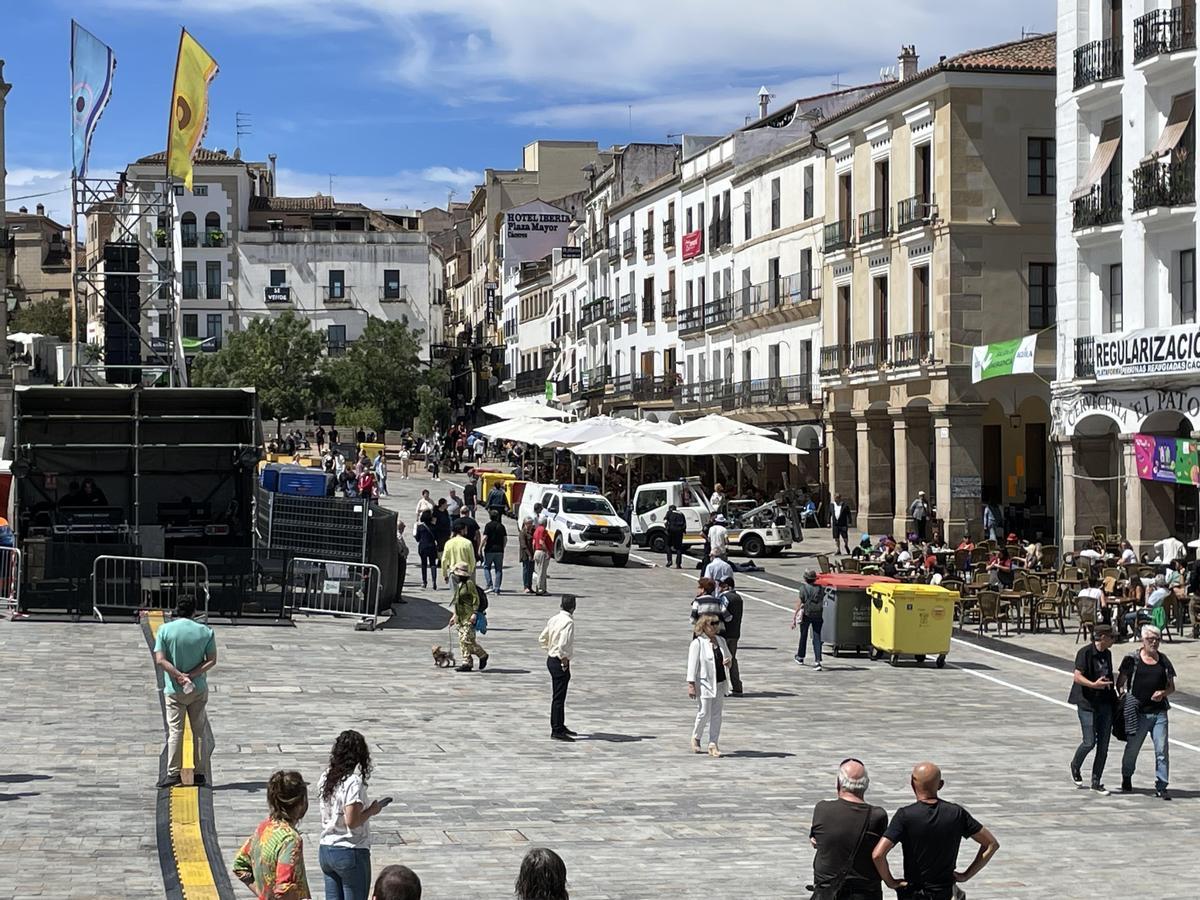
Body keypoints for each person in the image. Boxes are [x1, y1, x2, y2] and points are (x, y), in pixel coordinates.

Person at [872, 762, 1000, 899]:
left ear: (912, 783)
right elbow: (991, 844)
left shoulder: (905, 816)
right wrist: (965, 875)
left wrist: (890, 882)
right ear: (940, 785)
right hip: (944, 893)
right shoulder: (956, 813)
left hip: (914, 893)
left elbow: (878, 854)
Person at [153, 596, 217, 788]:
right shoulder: (205, 631)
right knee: (199, 731)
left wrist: (179, 675)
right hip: (197, 688)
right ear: (194, 611)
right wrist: (192, 674)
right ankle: (199, 773)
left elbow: (160, 659)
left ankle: (173, 774)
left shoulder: (165, 630)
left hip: (174, 689)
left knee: (175, 731)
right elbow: (211, 659)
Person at [318, 730, 386, 900]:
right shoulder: (352, 782)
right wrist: (372, 810)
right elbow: (352, 821)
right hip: (349, 850)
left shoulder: (326, 777)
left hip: (326, 848)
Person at [809, 759, 889, 900]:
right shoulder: (877, 816)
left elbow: (816, 841)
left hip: (828, 892)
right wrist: (891, 881)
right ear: (866, 785)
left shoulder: (822, 809)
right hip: (865, 893)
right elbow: (879, 853)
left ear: (838, 783)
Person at [233, 770, 311, 900]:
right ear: (300, 803)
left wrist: (262, 894)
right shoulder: (290, 840)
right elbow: (284, 890)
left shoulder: (264, 828)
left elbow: (239, 865)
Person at [1118, 624, 1176, 799]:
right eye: (1151, 639)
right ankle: (1127, 775)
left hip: (1159, 712)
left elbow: (1171, 686)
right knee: (1132, 748)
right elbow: (1120, 682)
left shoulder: (1164, 661)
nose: (1154, 643)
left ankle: (1161, 785)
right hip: (1138, 713)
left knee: (1162, 749)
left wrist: (1163, 693)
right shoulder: (1132, 659)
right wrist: (1124, 698)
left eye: (1157, 639)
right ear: (1143, 640)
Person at [1069, 623, 1117, 794]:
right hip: (1087, 703)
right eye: (1112, 637)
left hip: (1105, 702)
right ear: (1102, 637)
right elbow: (1077, 677)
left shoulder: (1108, 654)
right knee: (1090, 741)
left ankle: (1096, 781)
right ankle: (1075, 765)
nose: (1114, 640)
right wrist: (1093, 685)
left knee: (1103, 745)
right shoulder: (1085, 653)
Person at [687, 613, 732, 757]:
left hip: (719, 682)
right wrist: (691, 684)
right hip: (704, 683)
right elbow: (692, 665)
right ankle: (696, 736)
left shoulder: (721, 640)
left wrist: (728, 662)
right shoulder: (698, 643)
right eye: (711, 624)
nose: (715, 626)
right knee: (704, 712)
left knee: (717, 714)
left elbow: (729, 658)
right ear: (703, 626)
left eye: (716, 623)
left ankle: (713, 743)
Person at [539, 595, 577, 742]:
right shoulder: (568, 622)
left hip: (551, 658)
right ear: (573, 607)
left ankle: (560, 725)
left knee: (558, 695)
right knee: (559, 697)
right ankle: (556, 729)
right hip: (560, 661)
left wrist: (550, 650)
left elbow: (542, 638)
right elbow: (563, 644)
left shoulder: (554, 619)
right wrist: (563, 659)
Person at [448, 563, 488, 672]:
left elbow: (475, 599)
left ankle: (482, 654)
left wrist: (474, 613)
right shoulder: (460, 585)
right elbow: (457, 602)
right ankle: (467, 663)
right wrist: (454, 615)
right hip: (461, 617)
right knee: (462, 640)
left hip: (469, 616)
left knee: (467, 639)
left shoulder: (470, 584)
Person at [792, 569, 825, 671]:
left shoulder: (803, 589)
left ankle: (801, 657)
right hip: (818, 614)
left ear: (805, 579)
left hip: (806, 614)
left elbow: (799, 603)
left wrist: (794, 617)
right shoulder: (820, 588)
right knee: (817, 637)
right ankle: (817, 661)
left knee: (803, 635)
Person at [717, 575, 744, 695]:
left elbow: (724, 613)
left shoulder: (724, 597)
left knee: (721, 659)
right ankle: (737, 685)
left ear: (727, 586)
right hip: (735, 632)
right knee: (732, 659)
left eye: (721, 585)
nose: (719, 587)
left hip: (724, 633)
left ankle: (722, 687)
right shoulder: (738, 597)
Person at [1123, 575, 1169, 641]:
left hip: (1152, 614)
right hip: (1161, 614)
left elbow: (1148, 605)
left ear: (1156, 583)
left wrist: (1147, 593)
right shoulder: (1166, 591)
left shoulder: (1157, 593)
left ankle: (1139, 635)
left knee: (1127, 616)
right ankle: (1140, 632)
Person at [440, 520, 477, 590]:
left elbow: (444, 560)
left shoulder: (449, 543)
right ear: (462, 530)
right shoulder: (468, 543)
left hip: (454, 572)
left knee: (455, 596)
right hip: (465, 573)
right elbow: (472, 559)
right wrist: (471, 571)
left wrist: (445, 574)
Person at [482, 509, 507, 593]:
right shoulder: (501, 526)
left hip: (489, 549)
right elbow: (505, 539)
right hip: (499, 550)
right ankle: (497, 588)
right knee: (498, 569)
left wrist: (480, 547)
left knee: (486, 567)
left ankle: (489, 584)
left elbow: (485, 538)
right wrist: (502, 547)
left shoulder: (488, 526)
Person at [415, 511, 439, 590]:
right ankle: (434, 581)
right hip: (432, 546)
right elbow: (436, 537)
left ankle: (424, 581)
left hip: (423, 547)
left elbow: (417, 538)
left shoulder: (420, 527)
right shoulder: (434, 527)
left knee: (424, 564)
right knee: (433, 564)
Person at [532, 517, 553, 595]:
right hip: (542, 552)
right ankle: (540, 589)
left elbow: (533, 543)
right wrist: (547, 551)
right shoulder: (542, 530)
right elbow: (541, 542)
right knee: (542, 572)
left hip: (537, 551)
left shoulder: (536, 530)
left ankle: (543, 588)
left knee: (541, 571)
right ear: (545, 523)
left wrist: (534, 551)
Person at [664, 503, 687, 569]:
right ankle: (678, 564)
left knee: (668, 545)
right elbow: (684, 524)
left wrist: (666, 528)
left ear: (670, 509)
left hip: (671, 530)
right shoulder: (681, 513)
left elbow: (665, 521)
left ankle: (669, 560)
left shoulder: (669, 512)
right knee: (679, 548)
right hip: (679, 531)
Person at [519, 516, 536, 594]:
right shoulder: (523, 532)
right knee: (526, 570)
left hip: (533, 554)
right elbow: (523, 545)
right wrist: (529, 555)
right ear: (526, 523)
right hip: (526, 555)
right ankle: (525, 586)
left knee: (531, 571)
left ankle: (530, 586)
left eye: (531, 523)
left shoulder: (533, 531)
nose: (531, 525)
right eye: (529, 523)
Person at [394, 521, 409, 605]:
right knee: (400, 577)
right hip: (400, 559)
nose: (404, 527)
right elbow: (401, 548)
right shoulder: (398, 535)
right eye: (403, 526)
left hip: (401, 558)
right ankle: (397, 596)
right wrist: (404, 552)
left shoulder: (398, 534)